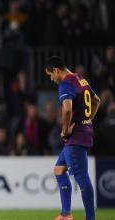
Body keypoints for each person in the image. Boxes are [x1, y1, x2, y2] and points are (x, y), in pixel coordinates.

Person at [45, 56, 100, 220]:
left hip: (75, 136)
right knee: (59, 170)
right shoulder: (79, 79)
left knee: (81, 176)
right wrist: (87, 120)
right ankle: (66, 214)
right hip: (83, 132)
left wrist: (64, 130)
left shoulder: (65, 83)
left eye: (50, 75)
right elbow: (97, 101)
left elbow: (67, 109)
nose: (51, 79)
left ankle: (90, 218)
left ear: (56, 70)